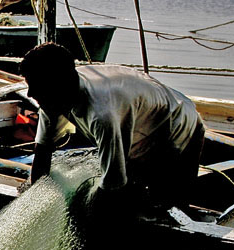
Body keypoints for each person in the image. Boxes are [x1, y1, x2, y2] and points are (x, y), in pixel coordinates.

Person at [19, 42, 205, 217]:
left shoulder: (102, 113)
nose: (30, 94)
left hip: (179, 126)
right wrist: (34, 197)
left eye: (35, 86)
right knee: (131, 193)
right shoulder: (50, 98)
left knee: (169, 208)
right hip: (139, 127)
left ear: (58, 84)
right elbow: (42, 154)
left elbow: (112, 185)